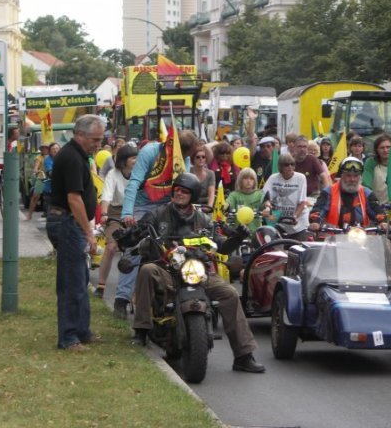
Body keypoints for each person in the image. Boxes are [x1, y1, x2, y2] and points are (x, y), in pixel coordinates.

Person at [132, 173, 266, 373]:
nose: (179, 193)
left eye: (184, 191)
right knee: (147, 269)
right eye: (177, 190)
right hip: (169, 270)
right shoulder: (158, 214)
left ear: (193, 195)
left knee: (229, 294)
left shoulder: (204, 219)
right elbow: (140, 231)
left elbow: (221, 247)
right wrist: (129, 233)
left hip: (199, 272)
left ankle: (244, 354)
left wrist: (237, 237)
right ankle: (141, 330)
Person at [116, 131, 199, 318]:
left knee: (179, 245)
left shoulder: (181, 159)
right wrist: (127, 214)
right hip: (142, 204)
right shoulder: (150, 152)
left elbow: (185, 188)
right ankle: (121, 299)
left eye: (187, 157)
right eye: (185, 155)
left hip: (168, 205)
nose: (186, 159)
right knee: (134, 247)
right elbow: (134, 182)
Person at [45, 114, 105, 351]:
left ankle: (82, 331)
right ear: (79, 135)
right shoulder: (71, 157)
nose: (98, 145)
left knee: (80, 280)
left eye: (100, 140)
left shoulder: (78, 155)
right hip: (68, 223)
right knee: (72, 282)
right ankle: (69, 338)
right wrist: (89, 232)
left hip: (71, 224)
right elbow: (74, 199)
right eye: (95, 140)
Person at [94, 144, 139, 298]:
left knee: (138, 249)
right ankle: (101, 285)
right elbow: (106, 196)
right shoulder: (112, 174)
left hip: (134, 211)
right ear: (124, 160)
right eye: (133, 158)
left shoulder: (139, 173)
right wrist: (105, 213)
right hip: (115, 211)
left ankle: (134, 291)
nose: (136, 160)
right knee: (111, 247)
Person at [309, 157, 388, 231]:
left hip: (361, 237)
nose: (352, 179)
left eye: (356, 176)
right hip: (332, 237)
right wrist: (315, 222)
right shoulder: (328, 192)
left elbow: (376, 210)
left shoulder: (367, 193)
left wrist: (383, 222)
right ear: (341, 176)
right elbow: (319, 209)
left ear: (360, 177)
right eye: (348, 175)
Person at [262, 153, 309, 239]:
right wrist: (268, 207)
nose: (290, 167)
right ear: (281, 167)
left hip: (298, 222)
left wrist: (294, 217)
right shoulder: (273, 178)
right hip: (278, 219)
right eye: (286, 165)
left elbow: (303, 202)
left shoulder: (301, 178)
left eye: (292, 164)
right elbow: (266, 197)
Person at [362, 134, 391, 210]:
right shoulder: (371, 163)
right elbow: (366, 184)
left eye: (388, 147)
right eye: (382, 148)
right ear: (377, 150)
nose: (385, 150)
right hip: (378, 207)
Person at [225, 168, 265, 232]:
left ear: (255, 181)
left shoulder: (260, 194)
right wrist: (223, 207)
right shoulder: (234, 195)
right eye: (245, 178)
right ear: (240, 180)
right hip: (238, 232)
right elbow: (227, 203)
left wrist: (267, 208)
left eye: (251, 179)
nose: (248, 181)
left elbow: (265, 203)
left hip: (255, 231)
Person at [26, 143, 50, 220]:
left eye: (46, 148)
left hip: (52, 178)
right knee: (35, 196)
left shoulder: (52, 157)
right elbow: (36, 167)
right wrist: (37, 170)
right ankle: (29, 215)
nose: (44, 149)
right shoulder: (39, 157)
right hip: (42, 177)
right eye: (43, 148)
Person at [41, 142, 60, 216]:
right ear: (50, 151)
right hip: (50, 189)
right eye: (53, 149)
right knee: (51, 212)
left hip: (61, 189)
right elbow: (51, 173)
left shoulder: (63, 158)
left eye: (57, 148)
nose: (55, 150)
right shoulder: (47, 159)